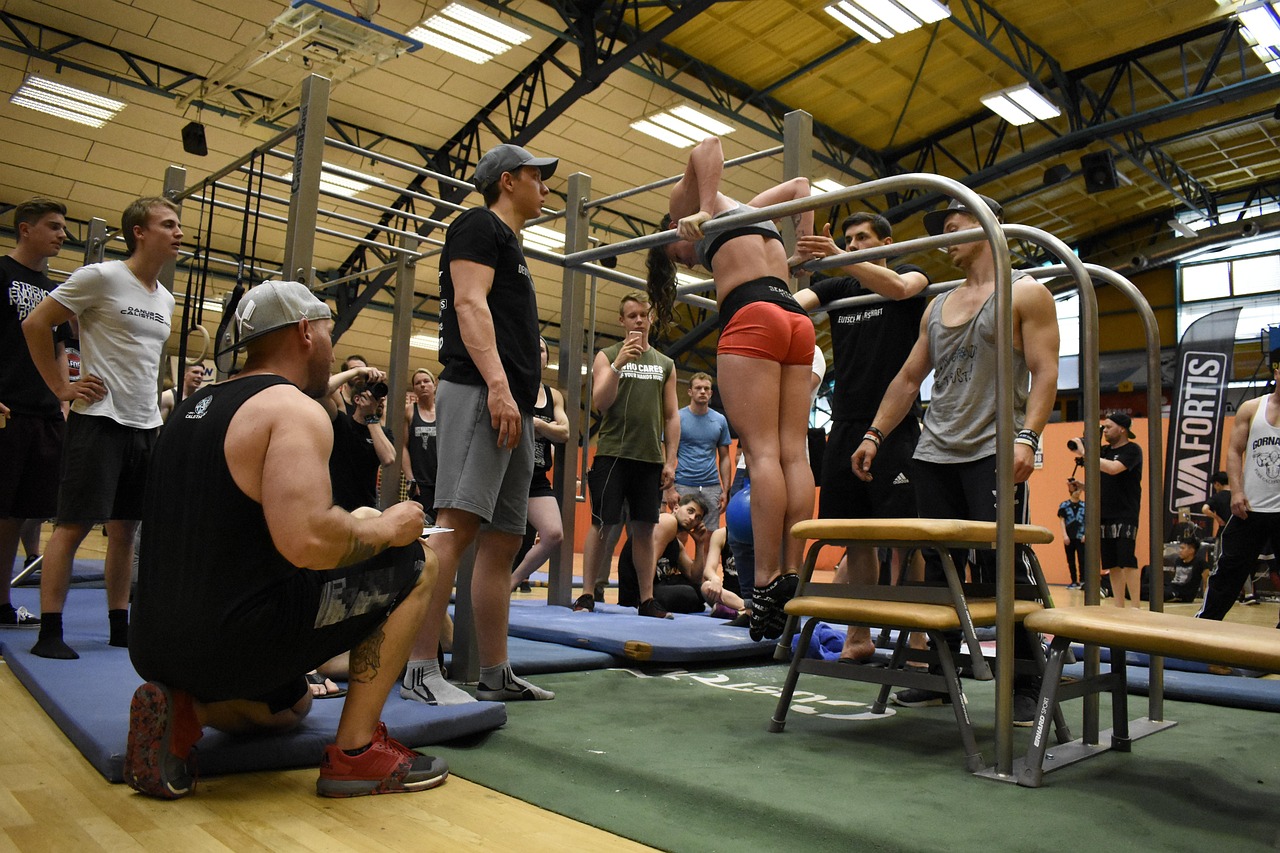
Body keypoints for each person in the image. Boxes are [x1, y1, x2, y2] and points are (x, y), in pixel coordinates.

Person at [126, 279, 447, 800]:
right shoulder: (291, 408)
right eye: (329, 333)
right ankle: (356, 754)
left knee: (292, 706)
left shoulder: (191, 407)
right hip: (234, 642)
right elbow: (310, 542)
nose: (332, 349)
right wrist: (390, 527)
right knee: (418, 561)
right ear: (305, 332)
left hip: (153, 644)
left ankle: (186, 712)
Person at [852, 194, 1060, 722]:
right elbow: (908, 379)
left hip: (992, 449)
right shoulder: (938, 305)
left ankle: (1026, 683)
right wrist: (875, 434)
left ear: (988, 227)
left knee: (1003, 565)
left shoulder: (1026, 292)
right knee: (940, 571)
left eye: (954, 226)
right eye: (943, 230)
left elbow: (1046, 372)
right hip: (934, 452)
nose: (946, 239)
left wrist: (1029, 438)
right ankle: (940, 678)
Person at [401, 143, 558, 706]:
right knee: (454, 527)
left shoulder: (512, 244)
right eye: (538, 176)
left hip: (513, 403)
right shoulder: (477, 224)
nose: (546, 187)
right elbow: (469, 305)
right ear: (509, 180)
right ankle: (420, 669)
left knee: (504, 540)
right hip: (479, 391)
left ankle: (494, 671)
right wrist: (496, 385)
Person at [649, 136, 816, 642]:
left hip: (753, 316)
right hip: (795, 317)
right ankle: (792, 571)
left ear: (672, 230)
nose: (688, 262)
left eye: (678, 256)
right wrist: (802, 250)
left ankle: (765, 581)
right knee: (793, 453)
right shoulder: (751, 210)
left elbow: (708, 146)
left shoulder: (687, 206)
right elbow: (801, 186)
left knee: (763, 452)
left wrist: (699, 210)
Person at [22, 196, 179, 659]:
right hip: (98, 421)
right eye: (168, 225)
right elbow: (36, 323)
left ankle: (118, 625)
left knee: (125, 530)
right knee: (72, 526)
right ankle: (50, 631)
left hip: (144, 423)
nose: (178, 233)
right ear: (139, 232)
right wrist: (61, 387)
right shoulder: (102, 276)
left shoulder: (165, 298)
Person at [794, 211, 930, 662]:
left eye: (861, 239)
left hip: (895, 424)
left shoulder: (910, 274)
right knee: (856, 536)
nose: (852, 246)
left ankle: (916, 637)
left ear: (886, 244)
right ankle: (859, 635)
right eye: (847, 240)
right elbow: (790, 307)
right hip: (846, 424)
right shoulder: (838, 287)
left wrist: (837, 255)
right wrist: (777, 266)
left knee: (907, 538)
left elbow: (901, 289)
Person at [574, 291, 680, 619]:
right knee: (602, 525)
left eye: (643, 315)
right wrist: (619, 364)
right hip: (612, 454)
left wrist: (670, 460)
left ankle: (646, 599)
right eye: (632, 315)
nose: (638, 321)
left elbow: (672, 416)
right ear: (622, 320)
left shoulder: (665, 364)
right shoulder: (606, 356)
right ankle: (587, 593)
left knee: (645, 530)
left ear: (651, 319)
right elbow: (601, 402)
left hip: (649, 458)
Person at [1, 198, 76, 628]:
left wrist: (63, 398)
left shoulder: (54, 291)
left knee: (17, 514)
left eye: (63, 227)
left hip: (44, 414)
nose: (62, 234)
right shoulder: (1, 273)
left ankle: (2, 603)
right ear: (25, 229)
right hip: (7, 408)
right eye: (53, 226)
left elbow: (63, 349)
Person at [1197, 350, 1280, 627]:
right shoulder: (1252, 408)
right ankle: (1205, 627)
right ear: (1276, 373)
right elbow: (1234, 451)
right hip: (1250, 508)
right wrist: (1236, 492)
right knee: (1229, 572)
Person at [508, 337, 569, 592]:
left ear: (546, 360)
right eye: (532, 348)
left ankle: (511, 581)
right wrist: (547, 428)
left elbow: (564, 433)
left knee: (553, 534)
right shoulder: (511, 386)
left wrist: (538, 425)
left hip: (536, 477)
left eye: (541, 350)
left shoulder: (553, 395)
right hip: (508, 475)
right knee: (502, 539)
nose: (536, 353)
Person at [1075, 412, 1143, 608]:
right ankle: (1119, 605)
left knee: (1126, 559)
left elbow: (1113, 469)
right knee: (1111, 562)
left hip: (1125, 512)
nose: (1104, 430)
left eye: (1108, 427)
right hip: (1104, 513)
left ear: (1122, 429)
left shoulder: (1132, 450)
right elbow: (1102, 482)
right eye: (1103, 427)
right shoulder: (1103, 451)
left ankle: (1136, 606)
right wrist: (1082, 486)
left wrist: (1086, 453)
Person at [617, 494, 713, 614]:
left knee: (701, 590)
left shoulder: (676, 543)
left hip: (656, 587)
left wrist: (699, 544)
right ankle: (646, 603)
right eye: (690, 511)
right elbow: (650, 560)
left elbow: (695, 577)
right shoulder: (668, 521)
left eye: (698, 517)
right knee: (689, 594)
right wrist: (646, 600)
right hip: (639, 593)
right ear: (676, 508)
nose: (692, 518)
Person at [323, 363, 396, 512]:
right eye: (373, 396)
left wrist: (371, 417)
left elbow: (388, 458)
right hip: (336, 508)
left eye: (381, 398)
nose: (379, 401)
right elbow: (321, 391)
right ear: (357, 399)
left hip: (366, 508)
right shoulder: (341, 423)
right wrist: (356, 371)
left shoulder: (383, 433)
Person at [670, 372, 732, 529]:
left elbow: (725, 457)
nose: (703, 391)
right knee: (678, 531)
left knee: (710, 534)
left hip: (711, 486)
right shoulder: (677, 418)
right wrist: (669, 489)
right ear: (690, 391)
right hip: (683, 483)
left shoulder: (720, 420)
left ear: (711, 393)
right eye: (698, 388)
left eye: (706, 388)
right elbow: (667, 453)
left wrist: (726, 491)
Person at [400, 368, 439, 523]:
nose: (422, 385)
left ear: (434, 385)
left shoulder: (443, 410)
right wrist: (410, 479)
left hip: (441, 481)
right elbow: (403, 447)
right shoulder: (409, 411)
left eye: (426, 381)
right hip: (420, 482)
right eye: (418, 383)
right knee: (423, 523)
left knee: (442, 524)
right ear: (414, 388)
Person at [1058, 479, 1086, 590]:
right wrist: (1064, 535)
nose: (1077, 492)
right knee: (1071, 560)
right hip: (1069, 537)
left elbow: (1088, 521)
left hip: (1081, 536)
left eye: (1079, 490)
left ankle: (1083, 581)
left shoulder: (1084, 506)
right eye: (1075, 490)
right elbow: (1062, 521)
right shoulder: (1064, 505)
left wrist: (1085, 534)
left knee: (1082, 559)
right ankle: (1074, 581)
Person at [1168, 535, 1209, 603]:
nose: (1180, 551)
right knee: (1152, 589)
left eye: (1182, 548)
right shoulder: (1178, 560)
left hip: (1185, 593)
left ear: (1191, 550)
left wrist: (1206, 599)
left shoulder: (1200, 563)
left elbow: (1206, 583)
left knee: (1163, 594)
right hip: (1173, 588)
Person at [1202, 471, 1231, 539]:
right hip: (1237, 531)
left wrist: (1218, 518)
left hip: (1223, 531)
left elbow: (1205, 509)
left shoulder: (1216, 497)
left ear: (1217, 484)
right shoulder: (1237, 496)